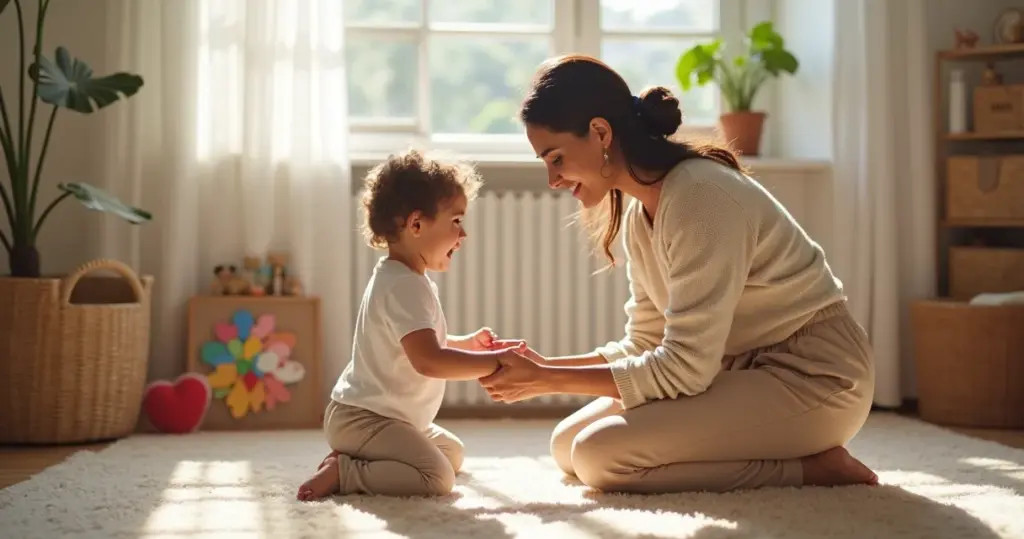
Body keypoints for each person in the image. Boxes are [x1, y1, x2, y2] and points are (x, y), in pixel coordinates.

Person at [478, 54, 879, 494]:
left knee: (600, 456)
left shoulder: (701, 196)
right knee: (567, 444)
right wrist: (541, 366)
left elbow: (684, 369)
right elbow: (646, 342)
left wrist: (548, 380)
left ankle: (812, 469)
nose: (552, 179)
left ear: (600, 133)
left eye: (556, 158)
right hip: (737, 371)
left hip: (814, 377)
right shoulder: (639, 216)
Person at [297, 149, 525, 500]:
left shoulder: (406, 279)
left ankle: (356, 455)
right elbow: (428, 360)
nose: (463, 235)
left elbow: (417, 344)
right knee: (436, 478)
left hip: (391, 418)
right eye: (456, 221)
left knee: (453, 454)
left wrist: (468, 344)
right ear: (416, 225)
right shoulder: (404, 285)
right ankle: (345, 472)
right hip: (365, 419)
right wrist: (493, 365)